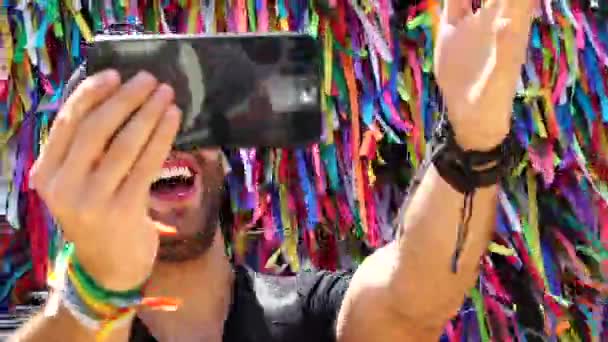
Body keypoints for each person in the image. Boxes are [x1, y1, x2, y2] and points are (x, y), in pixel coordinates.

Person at [10, 1, 535, 341]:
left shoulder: (307, 316)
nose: (160, 142)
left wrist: (471, 139)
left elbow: (410, 297)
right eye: (125, 131)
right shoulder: (44, 327)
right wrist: (101, 286)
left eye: (183, 111)